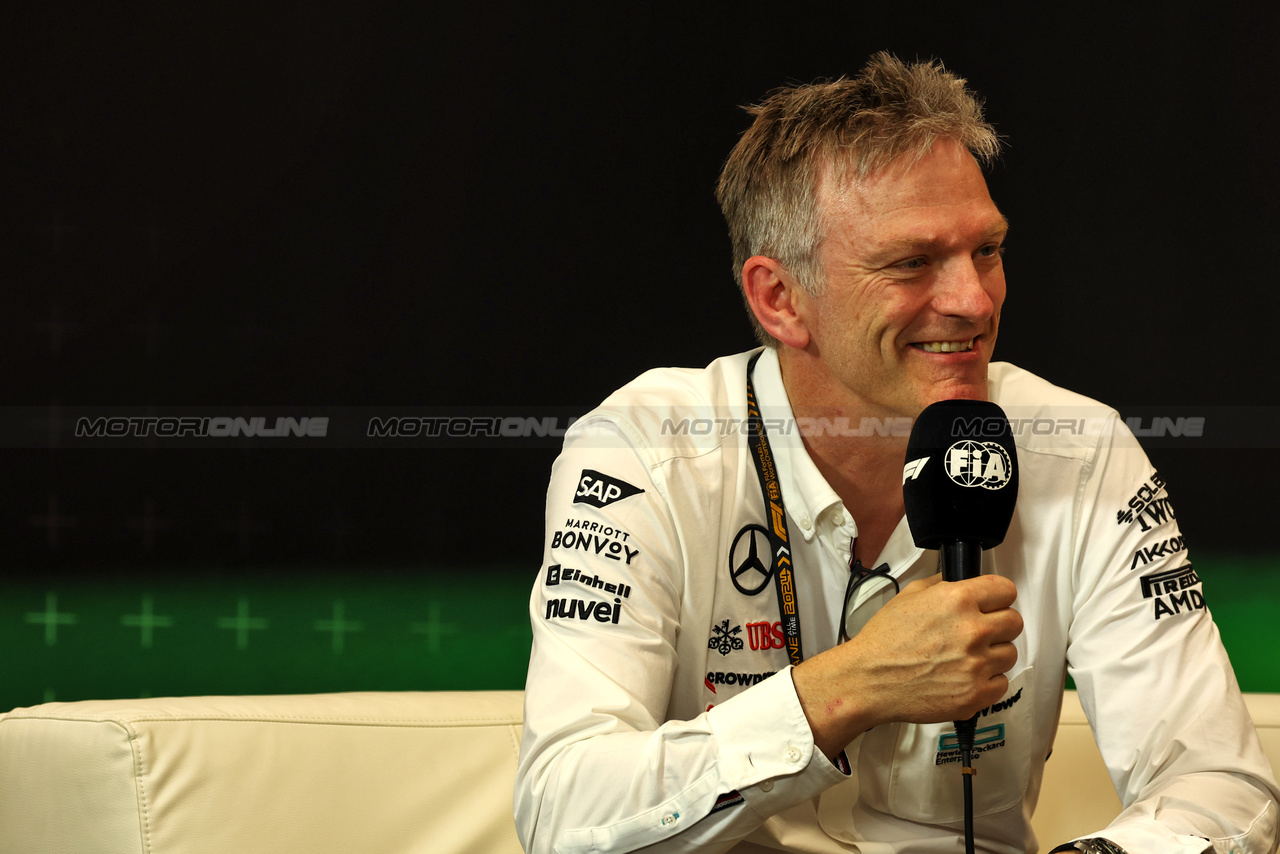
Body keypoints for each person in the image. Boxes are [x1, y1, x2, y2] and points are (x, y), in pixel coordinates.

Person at [512, 53, 1280, 854]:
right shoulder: (640, 453)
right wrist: (852, 686)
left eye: (987, 250)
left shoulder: (1081, 449)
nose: (975, 301)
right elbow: (563, 818)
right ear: (780, 299)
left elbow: (1220, 788)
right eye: (912, 262)